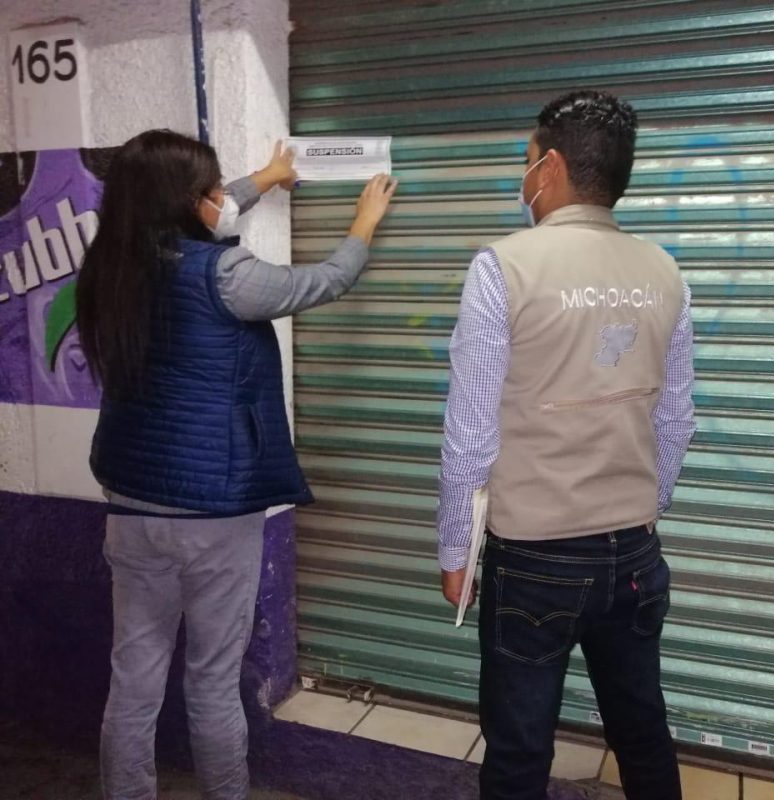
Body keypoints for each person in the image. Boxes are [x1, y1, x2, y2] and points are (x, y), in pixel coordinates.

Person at [75, 129, 397, 800]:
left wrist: (267, 177)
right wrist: (363, 223)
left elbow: (212, 210)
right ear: (186, 200)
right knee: (213, 681)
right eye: (214, 188)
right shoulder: (224, 275)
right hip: (213, 516)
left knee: (133, 680)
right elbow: (323, 281)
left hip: (131, 507)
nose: (224, 197)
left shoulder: (109, 269)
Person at [437, 90, 696, 800]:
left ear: (548, 168)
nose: (523, 177)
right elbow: (676, 419)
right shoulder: (664, 271)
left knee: (519, 751)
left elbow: (470, 432)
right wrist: (642, 509)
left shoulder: (504, 266)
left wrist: (456, 549)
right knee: (641, 732)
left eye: (526, 161)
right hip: (634, 556)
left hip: (534, 561)